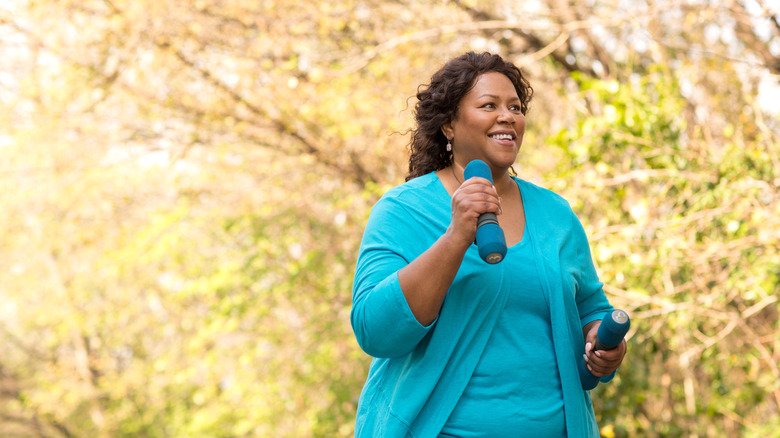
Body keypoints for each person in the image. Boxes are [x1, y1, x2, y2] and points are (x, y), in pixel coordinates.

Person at [350, 51, 627, 437]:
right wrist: (456, 237)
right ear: (448, 125)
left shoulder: (555, 214)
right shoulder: (403, 211)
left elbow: (590, 307)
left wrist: (602, 340)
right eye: (489, 105)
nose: (508, 116)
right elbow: (375, 330)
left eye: (515, 106)